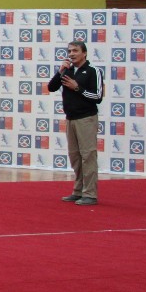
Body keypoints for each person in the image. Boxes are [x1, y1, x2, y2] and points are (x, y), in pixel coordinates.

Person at [48, 40, 105, 206]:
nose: (71, 54)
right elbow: (51, 87)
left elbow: (98, 97)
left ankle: (90, 194)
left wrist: (77, 87)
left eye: (75, 51)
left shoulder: (94, 71)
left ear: (84, 53)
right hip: (70, 118)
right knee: (75, 156)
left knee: (88, 156)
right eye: (69, 51)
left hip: (86, 118)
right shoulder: (68, 70)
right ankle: (78, 190)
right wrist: (60, 72)